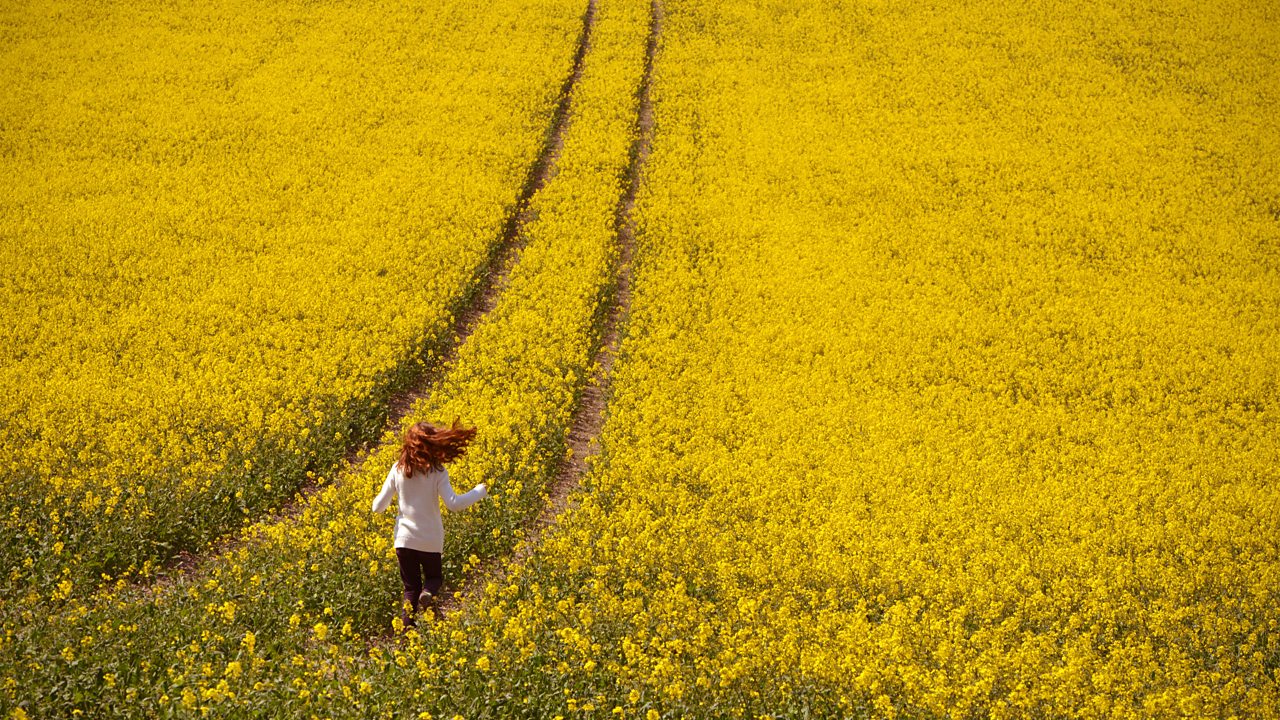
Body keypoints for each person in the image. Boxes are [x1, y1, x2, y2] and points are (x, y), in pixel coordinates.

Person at [372, 418, 487, 628]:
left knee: (410, 589)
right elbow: (453, 504)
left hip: (404, 541)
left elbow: (378, 506)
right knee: (434, 579)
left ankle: (407, 634)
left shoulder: (397, 469)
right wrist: (479, 491)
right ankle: (428, 594)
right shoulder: (437, 472)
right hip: (430, 540)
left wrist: (379, 504)